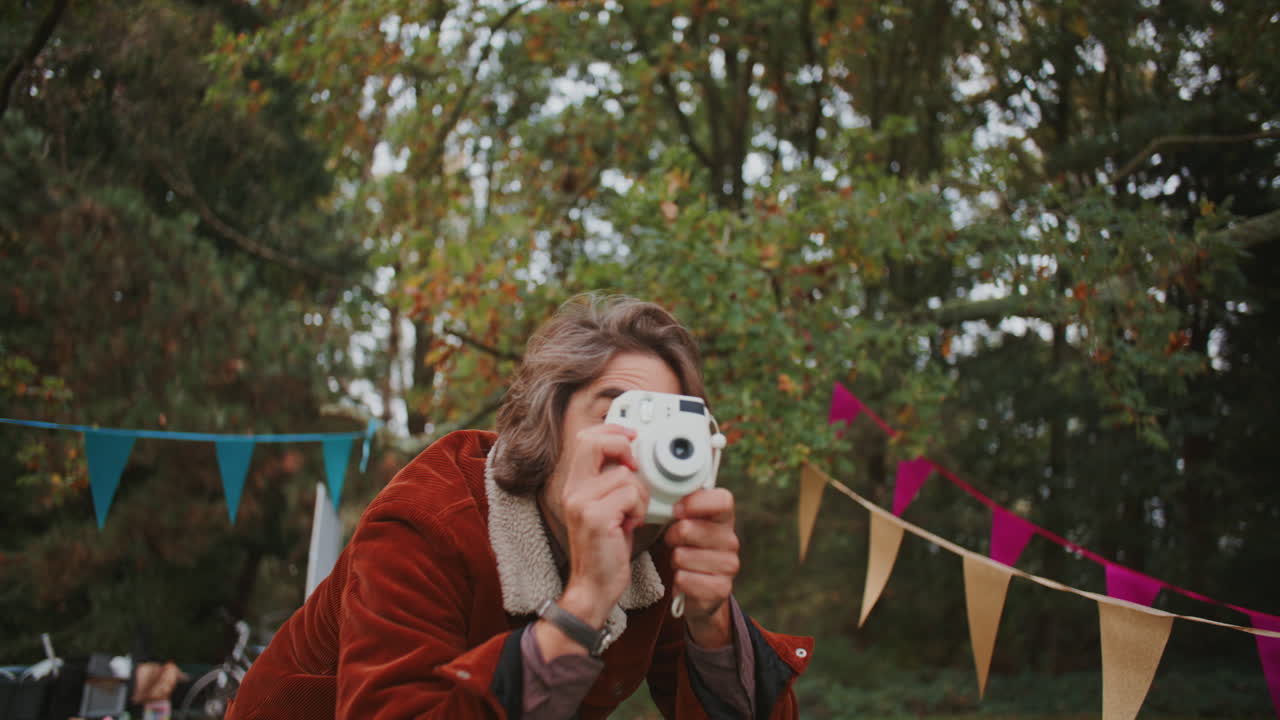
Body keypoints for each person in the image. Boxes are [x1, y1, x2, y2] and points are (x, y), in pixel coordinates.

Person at [227, 294, 812, 719]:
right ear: (547, 427)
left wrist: (712, 624)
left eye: (669, 433)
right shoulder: (425, 523)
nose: (641, 456)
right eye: (618, 416)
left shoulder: (653, 551)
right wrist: (580, 607)